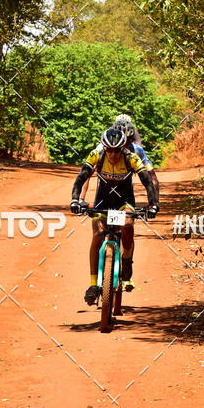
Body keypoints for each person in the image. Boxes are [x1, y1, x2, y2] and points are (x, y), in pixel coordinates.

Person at [70, 126, 158, 305]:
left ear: (122, 148)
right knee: (96, 235)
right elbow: (81, 178)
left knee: (127, 224)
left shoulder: (131, 158)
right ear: (104, 147)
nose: (112, 154)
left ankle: (126, 261)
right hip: (103, 201)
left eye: (116, 150)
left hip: (124, 201)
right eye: (108, 150)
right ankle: (93, 284)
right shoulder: (96, 155)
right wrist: (75, 200)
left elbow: (147, 182)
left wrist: (153, 204)